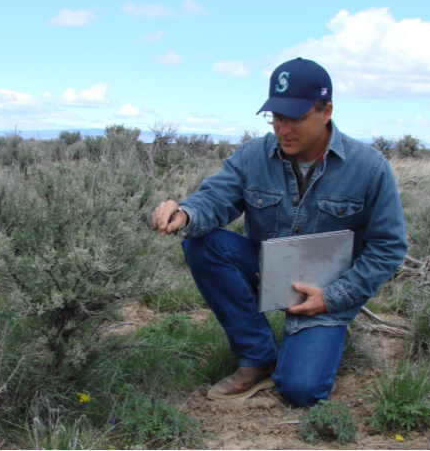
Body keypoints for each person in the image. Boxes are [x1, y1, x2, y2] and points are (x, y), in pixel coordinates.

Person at [152, 57, 407, 407]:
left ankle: (313, 337)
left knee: (300, 392)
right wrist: (184, 212)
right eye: (276, 117)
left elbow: (388, 248)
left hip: (324, 292)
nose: (283, 129)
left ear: (326, 110)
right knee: (203, 244)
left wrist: (332, 297)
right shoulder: (251, 156)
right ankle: (259, 357)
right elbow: (217, 197)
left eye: (296, 118)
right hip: (265, 270)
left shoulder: (369, 167)